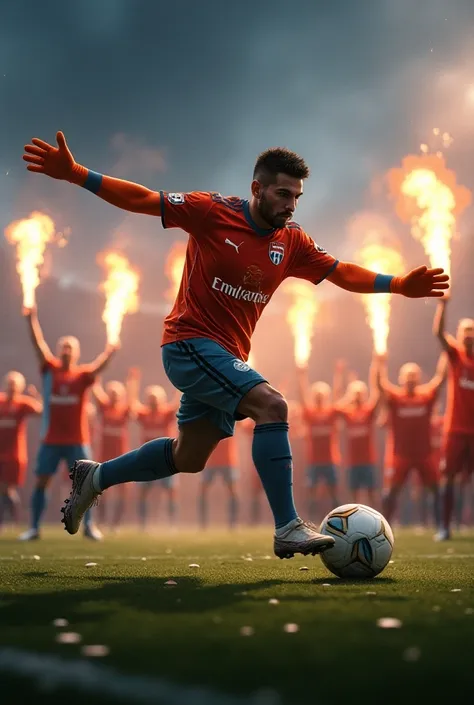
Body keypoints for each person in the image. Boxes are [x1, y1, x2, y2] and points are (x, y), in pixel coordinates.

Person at [22, 133, 449, 558]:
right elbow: (143, 199)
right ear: (256, 189)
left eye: (297, 196)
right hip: (187, 343)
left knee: (188, 457)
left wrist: (397, 285)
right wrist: (77, 174)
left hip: (224, 359)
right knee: (273, 406)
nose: (291, 204)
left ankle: (94, 478)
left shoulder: (292, 242)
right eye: (283, 193)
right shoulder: (211, 211)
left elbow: (340, 272)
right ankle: (287, 527)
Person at [19, 305, 117, 540]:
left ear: (76, 353)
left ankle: (89, 527)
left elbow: (100, 366)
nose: (66, 350)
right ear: (58, 350)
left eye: (70, 348)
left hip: (77, 440)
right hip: (51, 439)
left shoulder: (83, 376)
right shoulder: (49, 369)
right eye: (63, 347)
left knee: (88, 484)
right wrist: (31, 318)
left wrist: (111, 350)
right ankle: (34, 528)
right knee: (42, 481)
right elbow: (37, 343)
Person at [375, 354, 446, 527]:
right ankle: (384, 526)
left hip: (424, 453)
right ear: (401, 379)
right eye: (408, 376)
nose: (411, 379)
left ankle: (442, 526)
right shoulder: (395, 397)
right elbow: (380, 384)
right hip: (401, 454)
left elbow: (441, 379)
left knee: (436, 489)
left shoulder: (426, 396)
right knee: (392, 491)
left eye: (414, 375)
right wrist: (380, 362)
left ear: (419, 378)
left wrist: (445, 354)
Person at [433, 297, 474, 540]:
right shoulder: (456, 356)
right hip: (455, 431)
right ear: (459, 335)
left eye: (472, 331)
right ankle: (444, 527)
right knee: (447, 478)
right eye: (465, 331)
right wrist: (443, 305)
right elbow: (438, 333)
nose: (469, 335)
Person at [295, 362, 345, 520]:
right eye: (316, 395)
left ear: (325, 397)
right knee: (311, 493)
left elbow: (337, 394)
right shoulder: (309, 413)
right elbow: (302, 396)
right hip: (314, 461)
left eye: (321, 396)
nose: (318, 398)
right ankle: (309, 521)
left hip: (330, 460)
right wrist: (302, 375)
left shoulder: (331, 412)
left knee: (333, 492)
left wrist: (338, 375)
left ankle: (339, 521)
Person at [0, 372, 42, 527]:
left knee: (5, 488)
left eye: (14, 385)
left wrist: (36, 396)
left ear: (20, 387)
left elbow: (41, 411)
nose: (11, 387)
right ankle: (17, 517)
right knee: (5, 490)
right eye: (9, 384)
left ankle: (13, 518)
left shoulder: (23, 403)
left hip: (14, 455)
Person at [338, 361, 380, 507]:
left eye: (360, 393)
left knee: (371, 493)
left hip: (368, 460)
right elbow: (336, 406)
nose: (357, 396)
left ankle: (377, 520)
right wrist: (347, 393)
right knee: (354, 496)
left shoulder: (368, 411)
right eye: (355, 393)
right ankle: (354, 522)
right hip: (352, 461)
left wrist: (376, 367)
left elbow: (378, 395)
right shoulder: (347, 413)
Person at [92, 378, 130, 530]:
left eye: (117, 393)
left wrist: (133, 381)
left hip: (121, 454)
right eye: (111, 393)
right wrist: (95, 379)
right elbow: (96, 392)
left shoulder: (125, 409)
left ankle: (116, 522)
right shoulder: (104, 407)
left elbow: (132, 400)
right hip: (104, 454)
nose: (114, 396)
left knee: (122, 489)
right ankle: (102, 519)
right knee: (101, 487)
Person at [199, 436, 239, 529]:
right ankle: (203, 523)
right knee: (202, 491)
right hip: (210, 459)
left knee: (232, 491)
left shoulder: (233, 421)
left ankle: (233, 523)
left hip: (228, 460)